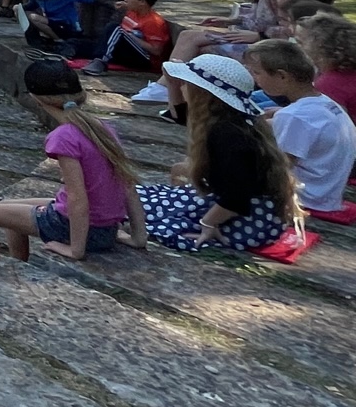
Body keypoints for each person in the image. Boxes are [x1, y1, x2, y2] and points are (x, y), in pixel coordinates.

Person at [0, 59, 145, 263]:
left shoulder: (64, 136)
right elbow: (127, 183)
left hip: (81, 230)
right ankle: (18, 266)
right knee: (6, 205)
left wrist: (76, 250)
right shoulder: (102, 128)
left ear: (36, 98)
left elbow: (78, 197)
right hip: (106, 229)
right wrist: (139, 237)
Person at [139, 53, 301, 251]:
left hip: (244, 218)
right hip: (242, 208)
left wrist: (207, 224)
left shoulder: (228, 135)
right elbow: (182, 116)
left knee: (139, 209)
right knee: (139, 197)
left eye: (186, 84)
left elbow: (237, 196)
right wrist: (173, 85)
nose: (183, 87)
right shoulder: (229, 119)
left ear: (203, 94)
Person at [250, 39, 356, 216]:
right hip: (327, 194)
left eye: (256, 72)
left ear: (282, 76)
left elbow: (279, 168)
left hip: (304, 198)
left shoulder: (293, 116)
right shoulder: (326, 103)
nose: (254, 78)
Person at [86, 0, 168, 75]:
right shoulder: (132, 13)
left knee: (116, 28)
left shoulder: (153, 22)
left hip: (144, 60)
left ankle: (101, 61)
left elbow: (156, 51)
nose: (125, 0)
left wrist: (129, 36)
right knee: (82, 44)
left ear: (142, 2)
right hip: (125, 52)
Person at [297, 13, 356, 118]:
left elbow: (334, 127)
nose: (297, 47)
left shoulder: (330, 84)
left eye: (300, 42)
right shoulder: (347, 71)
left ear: (319, 46)